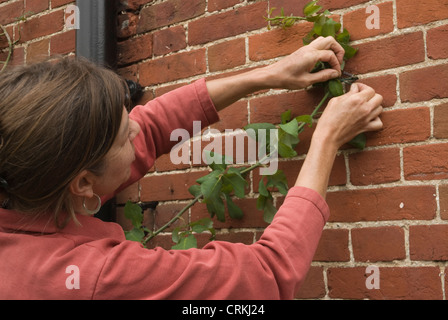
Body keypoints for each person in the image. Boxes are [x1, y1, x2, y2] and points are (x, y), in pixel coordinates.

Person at [0, 36, 382, 299]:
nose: (137, 127)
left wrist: (267, 74)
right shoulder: (94, 279)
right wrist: (327, 140)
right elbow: (266, 279)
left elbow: (153, 125)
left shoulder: (27, 187)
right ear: (82, 183)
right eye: (122, 136)